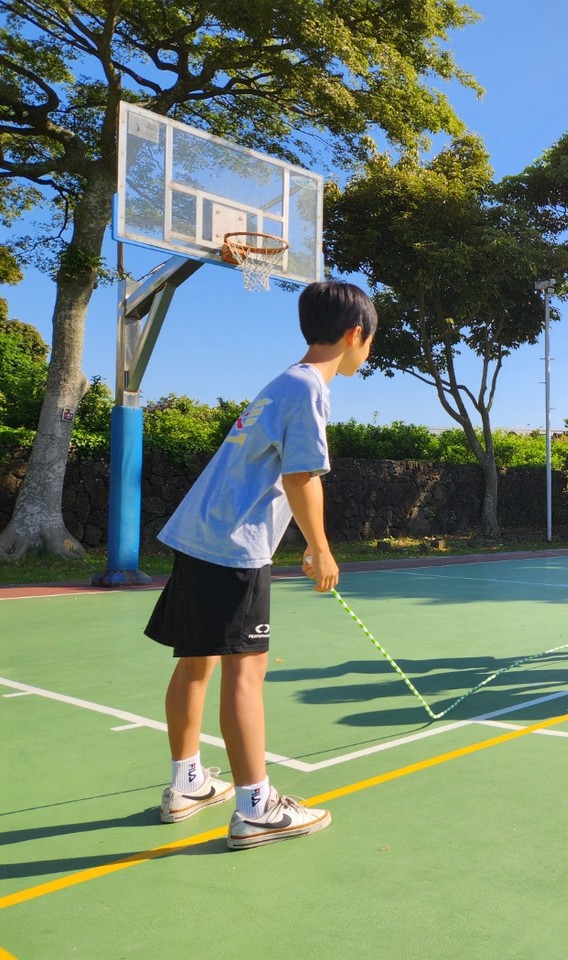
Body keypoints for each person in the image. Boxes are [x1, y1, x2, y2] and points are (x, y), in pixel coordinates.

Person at [145, 280, 377, 850]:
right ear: (355, 335)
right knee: (245, 671)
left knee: (196, 664)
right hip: (232, 545)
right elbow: (302, 476)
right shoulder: (309, 390)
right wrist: (320, 547)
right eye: (371, 343)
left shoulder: (280, 384)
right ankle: (255, 806)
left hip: (199, 535)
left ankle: (187, 782)